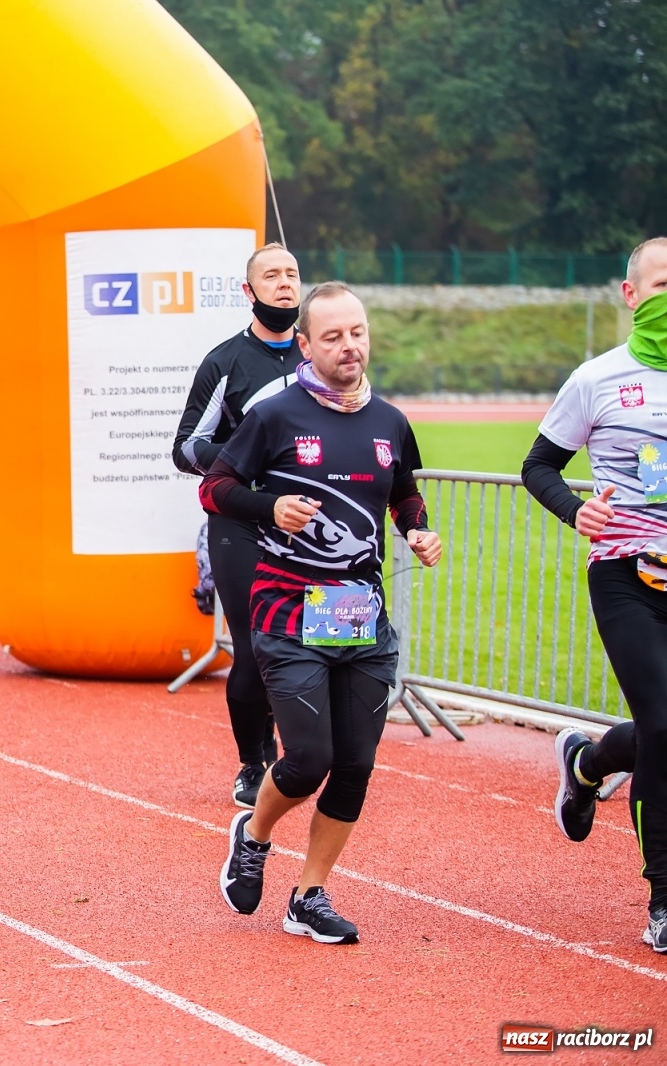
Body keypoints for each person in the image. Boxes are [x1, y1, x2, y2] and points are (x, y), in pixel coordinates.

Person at [203, 281, 441, 944]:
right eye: (333, 336)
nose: (349, 346)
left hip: (361, 616)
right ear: (305, 345)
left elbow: (404, 494)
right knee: (309, 759)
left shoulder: (389, 421)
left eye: (357, 333)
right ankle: (254, 835)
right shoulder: (275, 416)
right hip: (288, 613)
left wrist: (418, 530)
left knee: (356, 765)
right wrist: (270, 507)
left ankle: (309, 894)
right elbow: (215, 488)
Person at [522, 235, 667, 955]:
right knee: (664, 729)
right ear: (631, 294)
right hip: (626, 577)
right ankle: (664, 898)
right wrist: (576, 510)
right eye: (663, 285)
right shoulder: (598, 379)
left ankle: (587, 763)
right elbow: (539, 466)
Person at [174, 243, 305, 808]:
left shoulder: (318, 356)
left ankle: (305, 752)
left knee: (311, 641)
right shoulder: (224, 362)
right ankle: (255, 762)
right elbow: (185, 448)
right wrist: (245, 456)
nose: (285, 283)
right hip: (240, 524)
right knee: (255, 647)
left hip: (306, 525)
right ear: (249, 291)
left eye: (292, 274)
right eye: (271, 275)